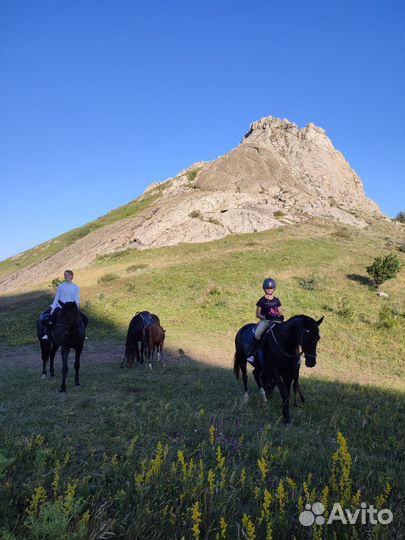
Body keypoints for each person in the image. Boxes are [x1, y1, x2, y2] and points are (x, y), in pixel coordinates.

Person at [247, 278, 284, 364]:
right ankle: (253, 353)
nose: (269, 290)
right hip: (265, 321)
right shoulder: (261, 301)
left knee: (286, 331)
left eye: (271, 288)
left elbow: (280, 311)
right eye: (267, 288)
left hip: (276, 320)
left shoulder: (277, 300)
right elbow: (257, 314)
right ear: (264, 288)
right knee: (257, 334)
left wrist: (281, 316)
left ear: (274, 289)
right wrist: (265, 316)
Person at [41, 270, 86, 339]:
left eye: (68, 275)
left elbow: (77, 299)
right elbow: (57, 298)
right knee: (51, 317)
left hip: (71, 308)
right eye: (65, 275)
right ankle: (47, 334)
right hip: (61, 307)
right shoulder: (61, 286)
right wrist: (53, 308)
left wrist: (77, 309)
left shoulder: (76, 287)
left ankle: (82, 334)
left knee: (85, 318)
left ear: (72, 276)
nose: (66, 276)